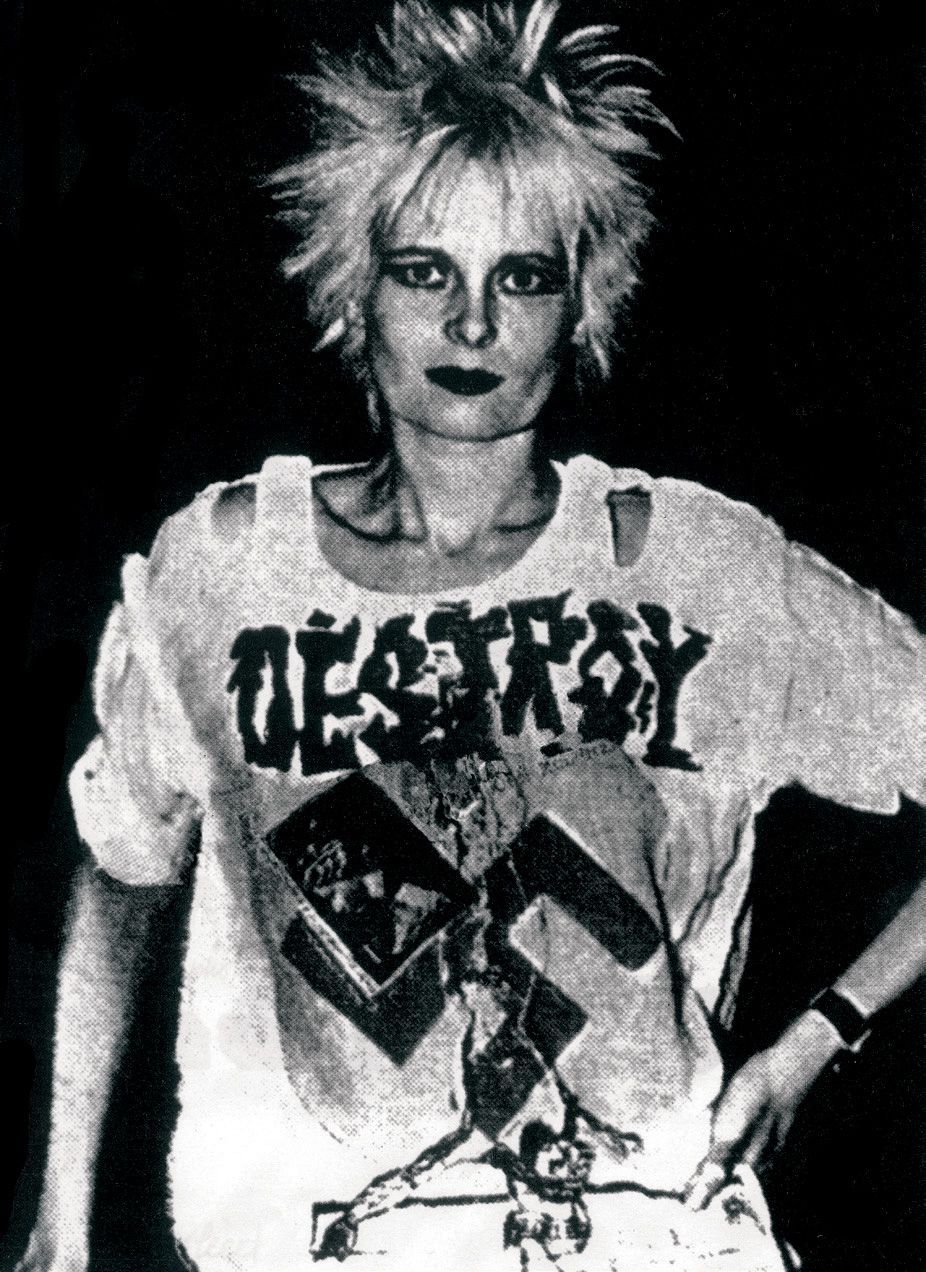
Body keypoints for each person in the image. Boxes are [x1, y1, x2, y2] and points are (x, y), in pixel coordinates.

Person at [17, 2, 926, 1270]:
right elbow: (120, 870)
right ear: (355, 288)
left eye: (524, 277)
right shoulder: (227, 568)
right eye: (424, 270)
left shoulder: (698, 569)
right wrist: (58, 1223)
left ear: (583, 303)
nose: (472, 325)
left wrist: (817, 1037)